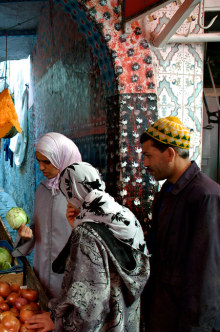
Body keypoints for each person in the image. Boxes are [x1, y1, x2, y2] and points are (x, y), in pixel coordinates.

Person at [26, 162, 150, 331]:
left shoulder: (86, 234)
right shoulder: (123, 216)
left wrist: (58, 320)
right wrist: (76, 224)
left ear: (73, 193)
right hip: (126, 319)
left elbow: (89, 304)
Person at [139, 116, 220, 331]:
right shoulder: (166, 192)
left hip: (186, 319)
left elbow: (206, 272)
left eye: (148, 156)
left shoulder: (206, 195)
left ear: (170, 153)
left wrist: (196, 326)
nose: (145, 163)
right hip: (162, 310)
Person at [12, 132, 82, 306]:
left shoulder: (80, 194)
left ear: (63, 158)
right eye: (39, 161)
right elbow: (37, 228)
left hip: (70, 276)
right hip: (42, 272)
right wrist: (26, 235)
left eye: (47, 162)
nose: (41, 167)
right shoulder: (42, 190)